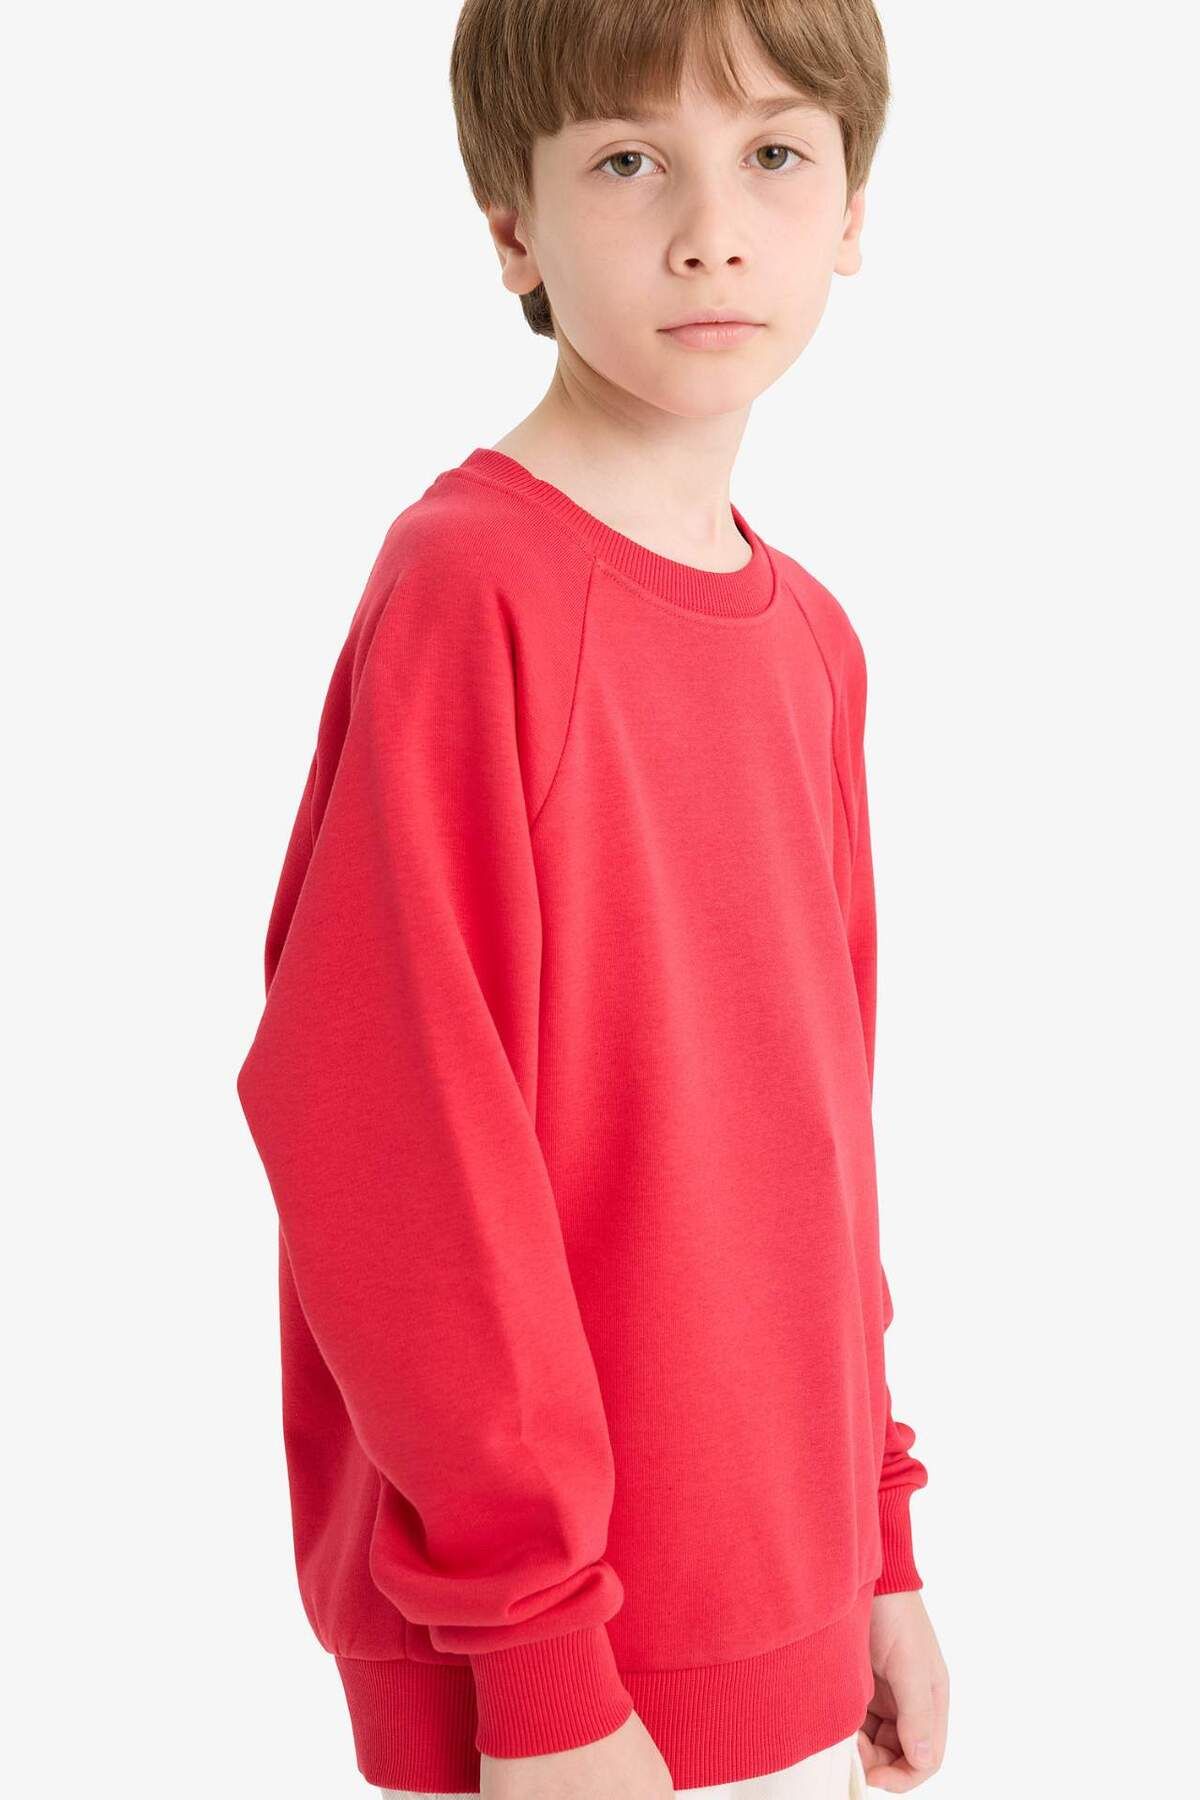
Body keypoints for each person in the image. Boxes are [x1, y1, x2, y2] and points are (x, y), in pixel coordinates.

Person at [234, 1, 950, 1794]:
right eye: (630, 161)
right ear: (512, 226)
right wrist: (542, 1658)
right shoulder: (471, 591)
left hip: (777, 1610)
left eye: (773, 154)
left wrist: (877, 1546)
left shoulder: (815, 642)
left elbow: (823, 1144)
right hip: (558, 1678)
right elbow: (388, 1145)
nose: (711, 229)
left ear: (853, 208)